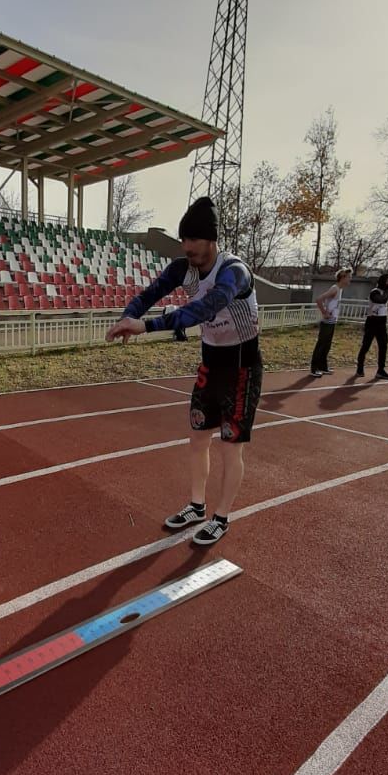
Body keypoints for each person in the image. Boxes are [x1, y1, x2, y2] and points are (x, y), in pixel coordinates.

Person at [105, 196, 261, 547]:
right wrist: (127, 317)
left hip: (242, 367)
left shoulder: (234, 272)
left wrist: (145, 327)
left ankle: (221, 516)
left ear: (211, 240)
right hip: (211, 361)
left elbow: (205, 309)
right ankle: (196, 505)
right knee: (197, 439)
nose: (186, 247)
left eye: (193, 240)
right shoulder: (182, 266)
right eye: (183, 240)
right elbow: (150, 294)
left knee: (231, 446)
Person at [310, 268, 352, 376]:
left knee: (327, 346)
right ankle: (314, 369)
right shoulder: (335, 289)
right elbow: (319, 299)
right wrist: (324, 312)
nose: (350, 280)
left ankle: (323, 367)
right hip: (327, 322)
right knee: (321, 345)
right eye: (349, 277)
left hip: (332, 322)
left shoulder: (340, 289)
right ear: (342, 277)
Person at [355, 272, 388, 380]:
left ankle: (381, 370)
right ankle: (360, 368)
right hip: (372, 321)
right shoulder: (375, 291)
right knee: (366, 345)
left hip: (382, 322)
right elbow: (380, 299)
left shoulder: (387, 291)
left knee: (383, 346)